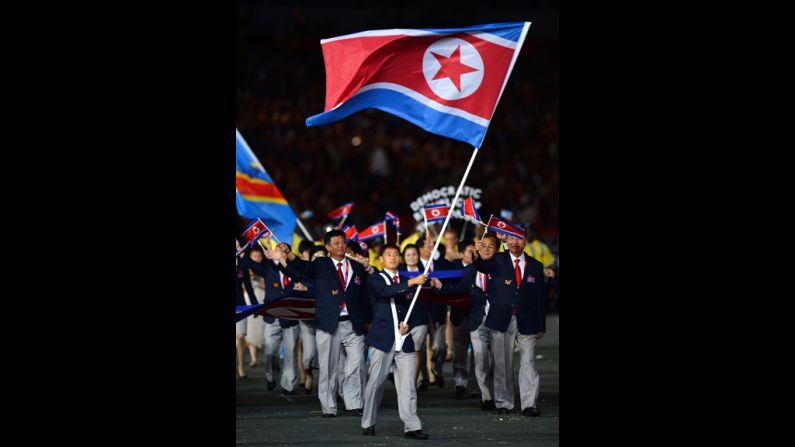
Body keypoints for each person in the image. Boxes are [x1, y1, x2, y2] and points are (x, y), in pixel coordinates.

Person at [267, 230, 372, 417]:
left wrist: (368, 320)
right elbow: (301, 266)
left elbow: (365, 295)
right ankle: (328, 407)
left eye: (343, 242)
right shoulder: (321, 264)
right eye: (336, 243)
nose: (340, 246)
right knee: (328, 368)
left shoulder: (357, 266)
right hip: (328, 324)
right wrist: (288, 253)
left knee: (355, 366)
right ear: (328, 247)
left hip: (353, 324)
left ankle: (354, 403)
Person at [473, 227, 546, 417]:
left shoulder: (536, 266)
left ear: (525, 241)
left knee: (528, 361)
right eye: (512, 238)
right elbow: (481, 266)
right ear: (506, 241)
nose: (515, 242)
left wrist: (541, 326)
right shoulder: (498, 260)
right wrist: (477, 252)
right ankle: (503, 402)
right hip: (501, 318)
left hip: (528, 320)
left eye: (519, 239)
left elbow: (540, 297)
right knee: (502, 362)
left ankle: (529, 404)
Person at [361, 244, 429, 440]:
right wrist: (411, 283)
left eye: (395, 254)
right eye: (388, 254)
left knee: (408, 385)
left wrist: (408, 325)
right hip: (382, 339)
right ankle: (368, 422)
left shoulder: (409, 281)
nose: (393, 257)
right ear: (381, 258)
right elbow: (385, 292)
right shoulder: (374, 279)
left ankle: (412, 426)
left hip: (404, 340)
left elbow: (414, 308)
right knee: (375, 382)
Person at [432, 233, 498, 410]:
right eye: (475, 250)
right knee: (472, 355)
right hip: (468, 319)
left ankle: (489, 391)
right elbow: (456, 287)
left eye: (485, 248)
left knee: (492, 359)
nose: (478, 252)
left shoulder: (500, 266)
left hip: (495, 320)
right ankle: (476, 392)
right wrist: (441, 286)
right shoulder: (465, 270)